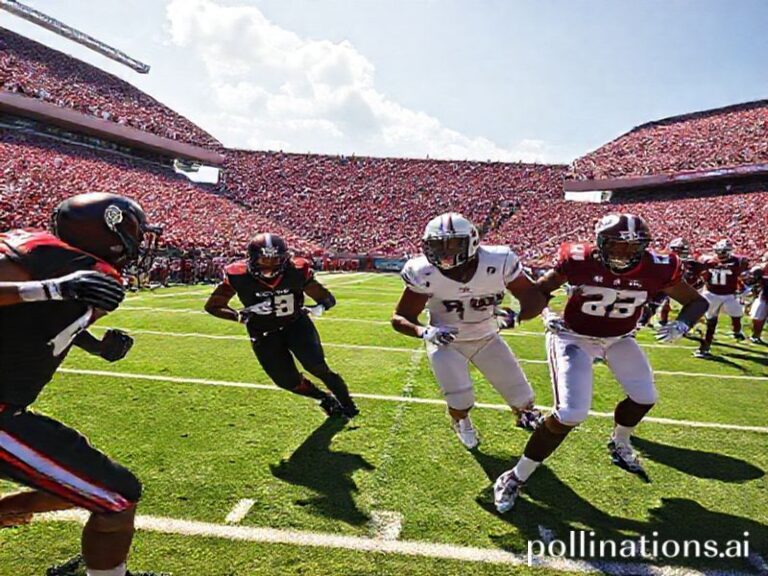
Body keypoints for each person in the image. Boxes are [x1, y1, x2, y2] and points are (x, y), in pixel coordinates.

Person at [493, 214, 707, 514]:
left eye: (631, 247)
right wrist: (519, 314)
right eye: (616, 246)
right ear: (600, 244)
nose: (622, 254)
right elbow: (541, 290)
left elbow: (697, 301)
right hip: (573, 336)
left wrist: (683, 324)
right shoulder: (578, 259)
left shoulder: (661, 267)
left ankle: (619, 443)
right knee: (570, 413)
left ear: (644, 246)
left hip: (619, 337)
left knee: (646, 397)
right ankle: (515, 476)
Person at [0, 192, 165, 576]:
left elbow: (36, 321)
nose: (139, 242)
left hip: (10, 410)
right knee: (117, 497)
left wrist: (94, 345)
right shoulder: (47, 260)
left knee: (105, 487)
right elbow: (40, 295)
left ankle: (10, 508)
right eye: (134, 231)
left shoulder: (75, 270)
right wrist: (53, 288)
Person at [391, 213, 547, 450]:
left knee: (521, 394)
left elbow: (532, 296)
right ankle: (460, 420)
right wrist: (425, 332)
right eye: (437, 245)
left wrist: (518, 317)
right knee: (460, 400)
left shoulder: (499, 261)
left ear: (472, 241)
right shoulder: (422, 271)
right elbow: (400, 317)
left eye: (452, 244)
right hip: (446, 342)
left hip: (487, 336)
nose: (444, 252)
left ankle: (524, 414)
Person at [204, 233, 358, 418]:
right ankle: (324, 397)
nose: (270, 265)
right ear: (252, 259)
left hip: (296, 325)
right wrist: (239, 316)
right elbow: (213, 306)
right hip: (263, 332)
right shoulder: (239, 275)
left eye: (275, 259)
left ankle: (349, 406)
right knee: (287, 381)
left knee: (317, 367)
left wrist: (319, 307)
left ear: (285, 259)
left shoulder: (296, 271)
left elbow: (328, 299)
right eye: (264, 259)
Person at [695, 239, 750, 358]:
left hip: (729, 294)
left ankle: (737, 331)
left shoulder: (737, 261)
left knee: (737, 314)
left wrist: (742, 286)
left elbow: (743, 275)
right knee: (710, 321)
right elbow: (701, 274)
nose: (721, 254)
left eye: (723, 252)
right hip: (711, 293)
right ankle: (704, 348)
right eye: (719, 252)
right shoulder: (708, 260)